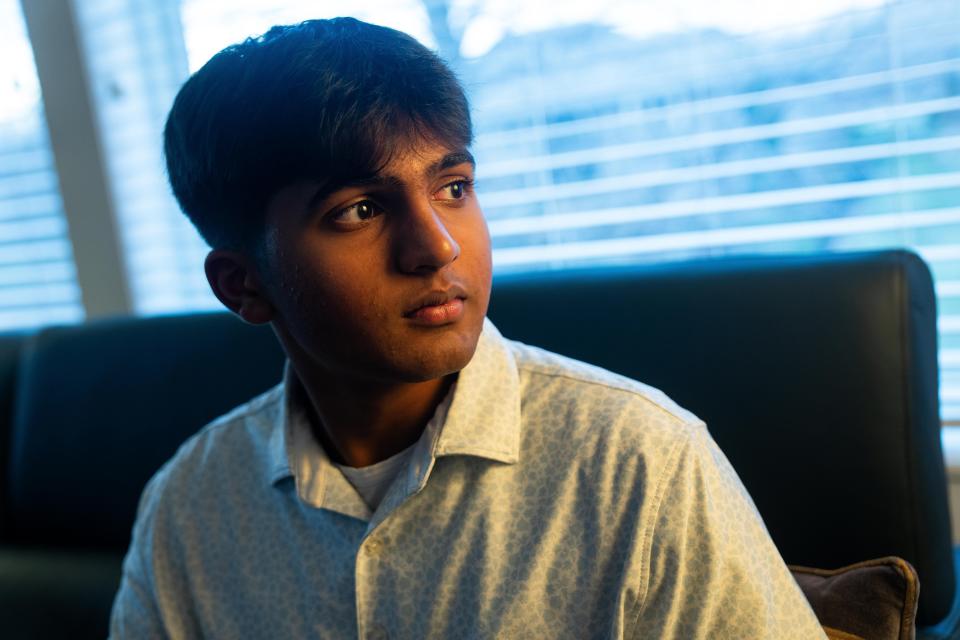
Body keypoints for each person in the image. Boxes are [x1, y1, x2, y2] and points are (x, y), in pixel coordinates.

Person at [110, 17, 827, 639]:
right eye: (360, 210)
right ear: (244, 285)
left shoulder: (642, 464)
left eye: (453, 188)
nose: (438, 247)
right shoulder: (188, 509)